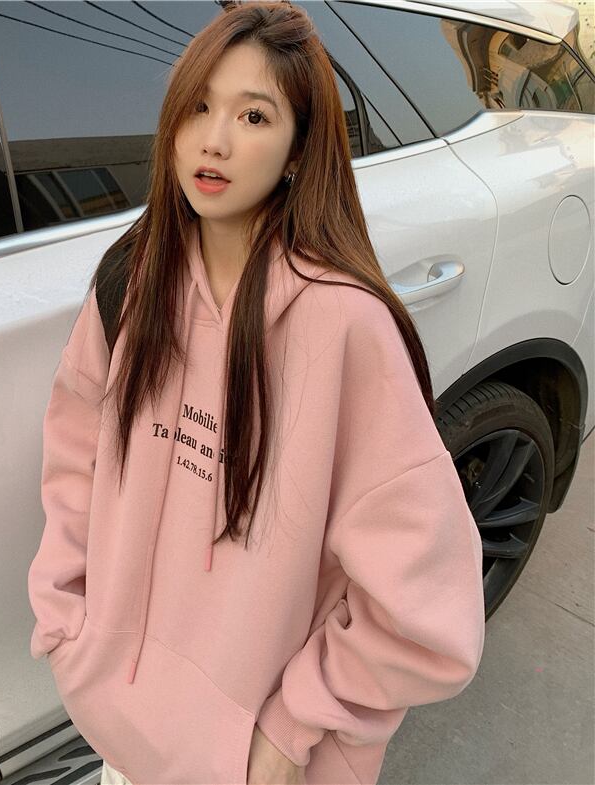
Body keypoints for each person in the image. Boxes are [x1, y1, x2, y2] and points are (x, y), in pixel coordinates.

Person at [27, 2, 486, 784]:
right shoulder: (131, 281)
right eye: (198, 107)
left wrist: (288, 729)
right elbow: (75, 460)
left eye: (253, 116)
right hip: (118, 736)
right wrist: (68, 620)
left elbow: (427, 608)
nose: (214, 140)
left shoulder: (344, 324)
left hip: (255, 763)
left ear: (299, 147)